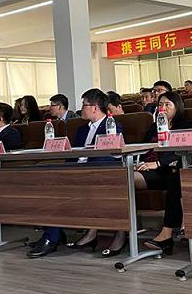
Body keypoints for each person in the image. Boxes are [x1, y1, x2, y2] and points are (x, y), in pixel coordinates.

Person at [29, 89, 123, 259]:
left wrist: (82, 170)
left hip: (98, 173)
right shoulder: (81, 130)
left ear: (94, 107)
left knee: (59, 189)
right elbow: (73, 156)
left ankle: (52, 238)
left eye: (84, 105)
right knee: (47, 182)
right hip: (78, 172)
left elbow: (111, 156)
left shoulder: (112, 125)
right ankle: (52, 234)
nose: (81, 109)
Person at [137, 92, 192, 255]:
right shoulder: (153, 126)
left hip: (167, 170)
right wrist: (138, 163)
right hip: (147, 168)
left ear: (177, 107)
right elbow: (142, 149)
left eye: (167, 104)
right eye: (160, 105)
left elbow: (183, 152)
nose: (162, 108)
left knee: (175, 176)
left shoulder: (185, 125)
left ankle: (166, 235)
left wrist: (157, 163)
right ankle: (119, 230)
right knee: (124, 178)